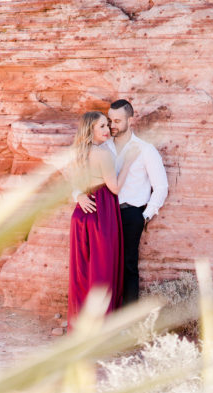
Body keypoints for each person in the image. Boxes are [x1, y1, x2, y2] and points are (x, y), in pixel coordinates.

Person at [74, 100, 168, 306]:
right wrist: (79, 195)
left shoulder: (145, 150)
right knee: (104, 267)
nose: (112, 126)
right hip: (102, 214)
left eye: (117, 121)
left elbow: (161, 186)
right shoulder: (101, 146)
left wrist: (145, 216)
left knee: (127, 266)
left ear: (130, 120)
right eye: (109, 121)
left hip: (129, 214)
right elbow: (79, 176)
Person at [68, 111, 139, 328]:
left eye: (107, 125)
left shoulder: (77, 153)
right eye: (101, 126)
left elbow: (71, 181)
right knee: (102, 273)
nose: (107, 129)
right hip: (101, 214)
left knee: (82, 274)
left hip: (81, 214)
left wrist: (78, 195)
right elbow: (114, 188)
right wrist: (128, 163)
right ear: (90, 129)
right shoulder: (102, 154)